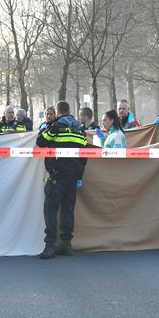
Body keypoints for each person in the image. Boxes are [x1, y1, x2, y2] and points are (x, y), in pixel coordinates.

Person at [36, 101, 88, 259]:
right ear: (69, 111)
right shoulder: (80, 129)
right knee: (68, 209)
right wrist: (79, 175)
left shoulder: (57, 126)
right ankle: (66, 245)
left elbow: (41, 142)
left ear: (57, 112)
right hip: (73, 175)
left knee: (50, 208)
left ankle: (50, 245)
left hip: (58, 174)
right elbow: (84, 155)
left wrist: (46, 126)